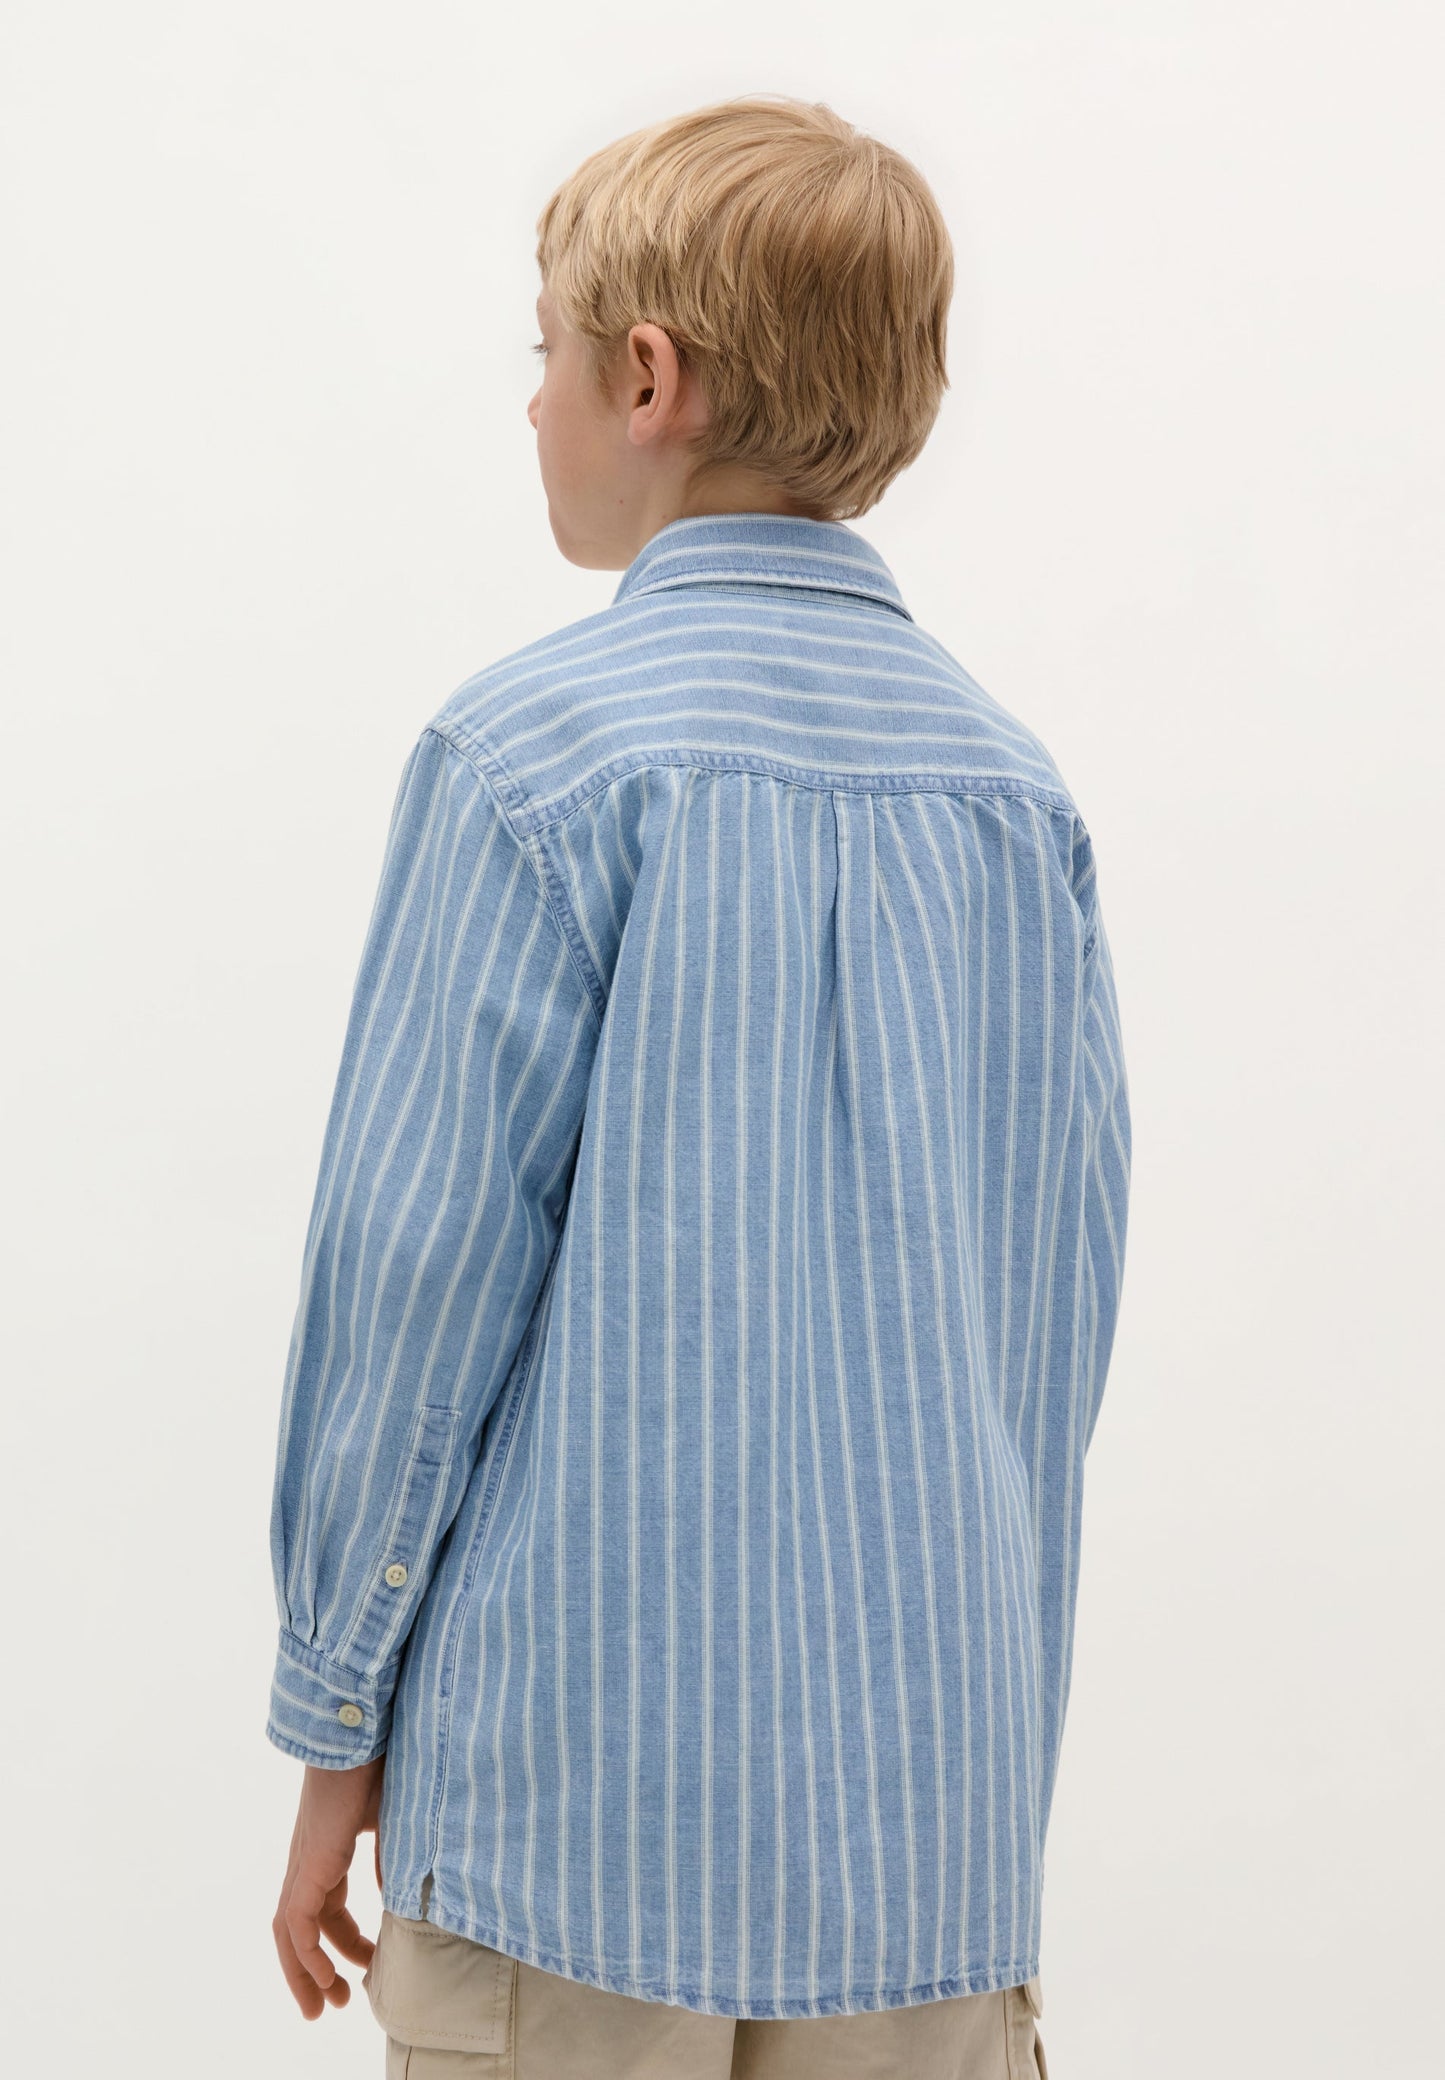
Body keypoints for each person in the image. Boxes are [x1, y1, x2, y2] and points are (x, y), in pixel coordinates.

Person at [265, 92, 1130, 2079]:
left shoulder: (532, 760)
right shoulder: (1019, 803)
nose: (533, 402)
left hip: (572, 1821)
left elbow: (414, 1284)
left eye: (546, 354)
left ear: (646, 378)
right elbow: (1048, 1328)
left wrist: (335, 1720)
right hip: (925, 1837)